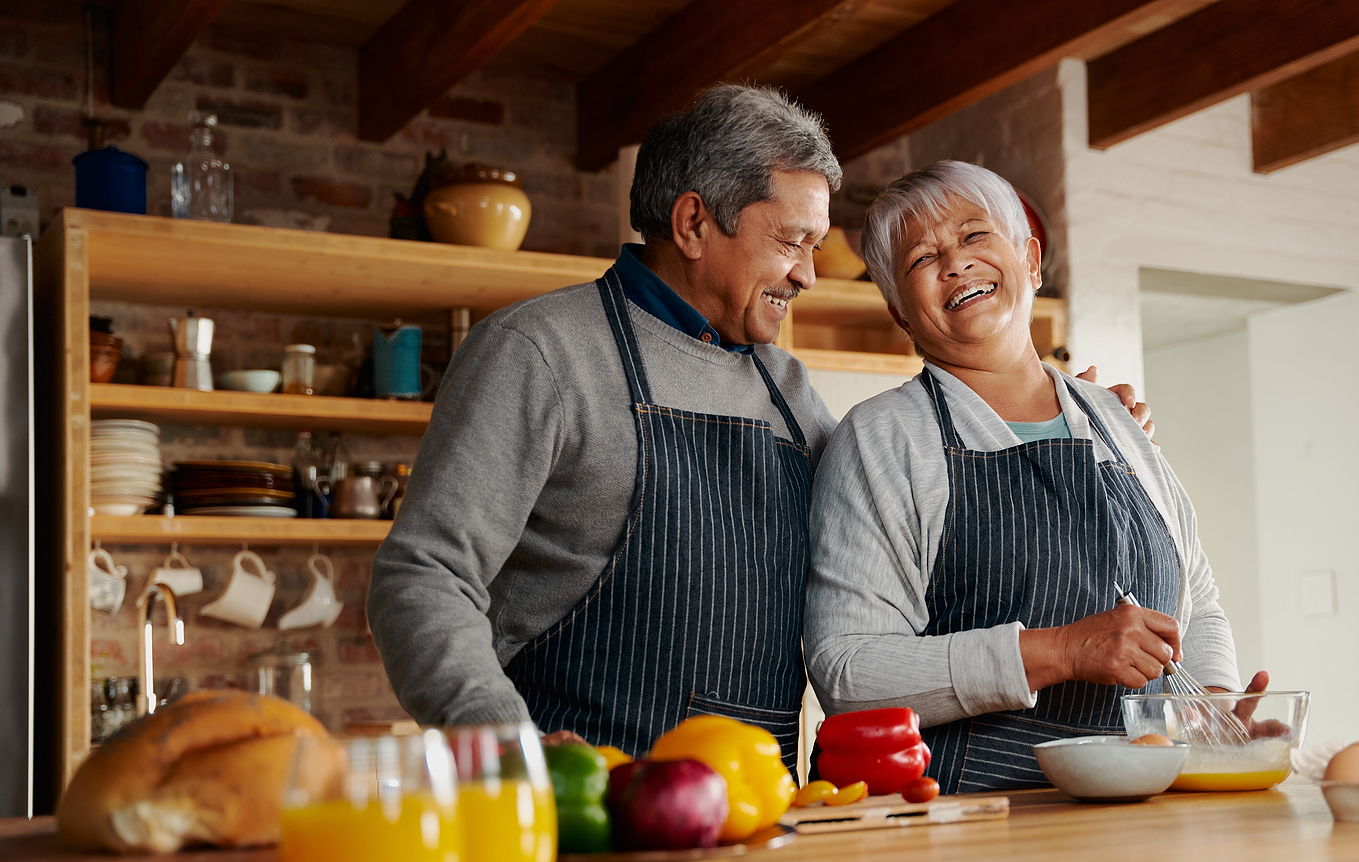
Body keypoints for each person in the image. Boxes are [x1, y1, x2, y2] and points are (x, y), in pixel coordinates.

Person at [370, 86, 1151, 765]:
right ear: (692, 223)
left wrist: (1047, 409)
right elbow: (424, 578)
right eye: (792, 241)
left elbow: (901, 492)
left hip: (760, 818)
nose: (808, 273)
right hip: (579, 820)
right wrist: (508, 754)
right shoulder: (541, 353)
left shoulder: (786, 388)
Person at [804, 161, 1268, 793]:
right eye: (922, 259)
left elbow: (1197, 601)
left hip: (1146, 817)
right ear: (899, 312)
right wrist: (1064, 651)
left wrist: (1209, 707)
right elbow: (848, 674)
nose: (955, 264)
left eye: (974, 236)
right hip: (964, 829)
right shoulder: (883, 438)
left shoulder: (1117, 420)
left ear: (1030, 260)